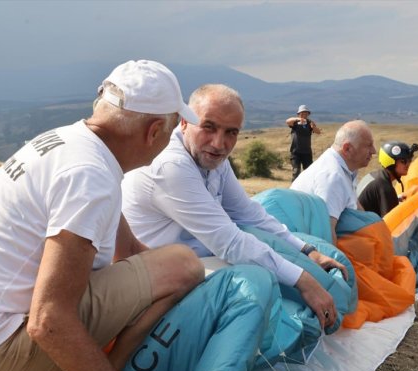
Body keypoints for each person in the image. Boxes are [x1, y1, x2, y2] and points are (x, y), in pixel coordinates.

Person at [0, 60, 205, 371]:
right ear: (154, 130)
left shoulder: (76, 147)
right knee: (183, 264)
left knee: (169, 267)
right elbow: (49, 321)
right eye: (173, 129)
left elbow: (131, 253)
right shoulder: (88, 177)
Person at [121, 84, 345, 329]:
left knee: (267, 250)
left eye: (231, 132)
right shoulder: (171, 166)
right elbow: (230, 242)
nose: (219, 143)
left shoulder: (210, 157)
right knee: (258, 282)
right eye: (209, 127)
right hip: (157, 278)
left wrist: (306, 251)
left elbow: (249, 214)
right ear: (184, 122)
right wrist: (304, 281)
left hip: (196, 260)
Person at [290, 120, 376, 244]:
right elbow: (326, 234)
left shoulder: (346, 168)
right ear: (347, 149)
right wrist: (341, 263)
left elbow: (357, 208)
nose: (374, 151)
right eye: (368, 145)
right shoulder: (333, 177)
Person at [357, 141, 418, 217]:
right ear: (390, 162)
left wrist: (394, 199)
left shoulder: (374, 175)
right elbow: (391, 223)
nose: (408, 164)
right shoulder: (384, 187)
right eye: (403, 161)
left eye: (409, 160)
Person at [286, 104, 321, 181]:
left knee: (309, 172)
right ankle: (293, 189)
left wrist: (313, 127)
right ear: (298, 114)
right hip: (295, 152)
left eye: (305, 113)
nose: (304, 114)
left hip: (307, 152)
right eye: (302, 113)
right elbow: (287, 121)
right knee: (296, 171)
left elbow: (318, 132)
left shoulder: (310, 123)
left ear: (308, 114)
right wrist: (298, 119)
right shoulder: (295, 123)